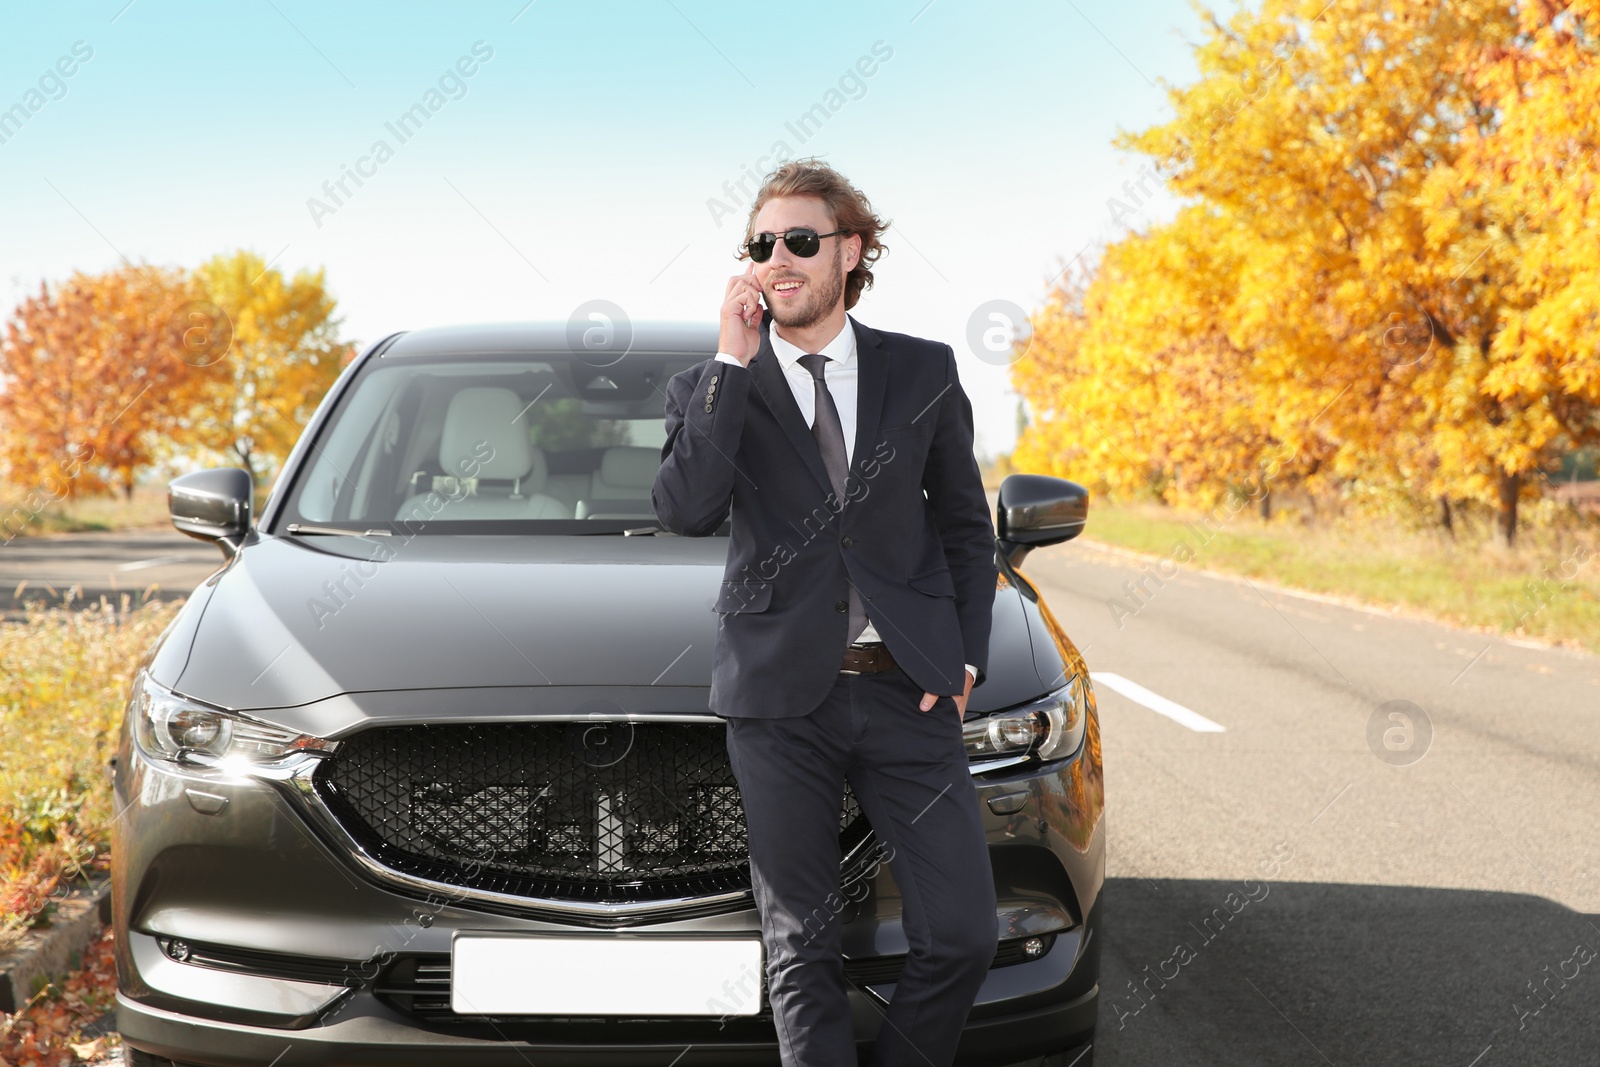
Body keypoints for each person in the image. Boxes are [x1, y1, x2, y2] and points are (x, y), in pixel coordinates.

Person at [651, 158, 998, 1067]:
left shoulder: (922, 370)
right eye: (761, 245)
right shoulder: (710, 386)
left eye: (800, 241)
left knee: (961, 933)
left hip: (907, 692)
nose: (778, 260)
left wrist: (963, 661)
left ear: (850, 251)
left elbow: (966, 526)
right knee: (801, 947)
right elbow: (685, 507)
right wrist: (733, 354)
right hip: (778, 705)